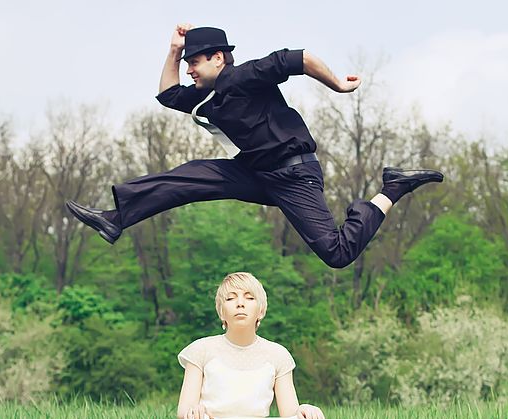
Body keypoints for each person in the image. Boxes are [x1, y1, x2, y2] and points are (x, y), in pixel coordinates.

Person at [66, 24, 444, 269]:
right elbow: (166, 95)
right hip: (256, 172)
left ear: (219, 58)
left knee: (337, 253)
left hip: (294, 173)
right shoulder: (206, 98)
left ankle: (392, 188)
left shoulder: (245, 75)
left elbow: (300, 58)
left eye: (195, 62)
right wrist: (173, 51)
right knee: (189, 177)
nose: (189, 70)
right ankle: (116, 219)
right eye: (187, 64)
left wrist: (339, 86)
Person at [176, 272, 334, 419]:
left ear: (261, 311)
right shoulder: (201, 349)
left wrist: (306, 410)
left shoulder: (278, 354)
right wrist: (195, 411)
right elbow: (183, 411)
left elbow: (290, 415)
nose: (240, 303)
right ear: (221, 313)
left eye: (249, 298)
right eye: (231, 298)